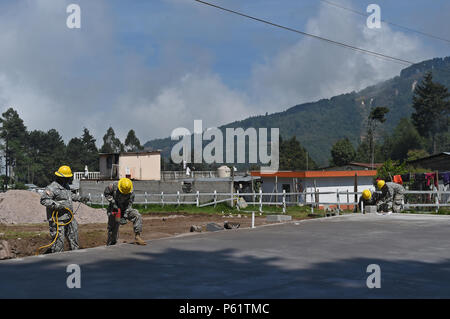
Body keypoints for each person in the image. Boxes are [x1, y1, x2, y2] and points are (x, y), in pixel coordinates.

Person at [40, 165, 87, 253]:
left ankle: (75, 255)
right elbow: (44, 200)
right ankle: (57, 258)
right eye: (67, 178)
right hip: (58, 220)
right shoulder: (52, 188)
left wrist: (80, 198)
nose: (68, 179)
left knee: (74, 236)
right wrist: (58, 205)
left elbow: (69, 196)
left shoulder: (66, 186)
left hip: (69, 217)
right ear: (61, 177)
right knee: (59, 242)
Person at [104, 178, 146, 246]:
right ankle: (111, 243)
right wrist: (113, 202)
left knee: (137, 215)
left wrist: (125, 216)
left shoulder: (131, 192)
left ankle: (137, 236)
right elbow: (106, 193)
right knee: (113, 227)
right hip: (115, 210)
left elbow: (129, 205)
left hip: (125, 209)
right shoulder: (113, 186)